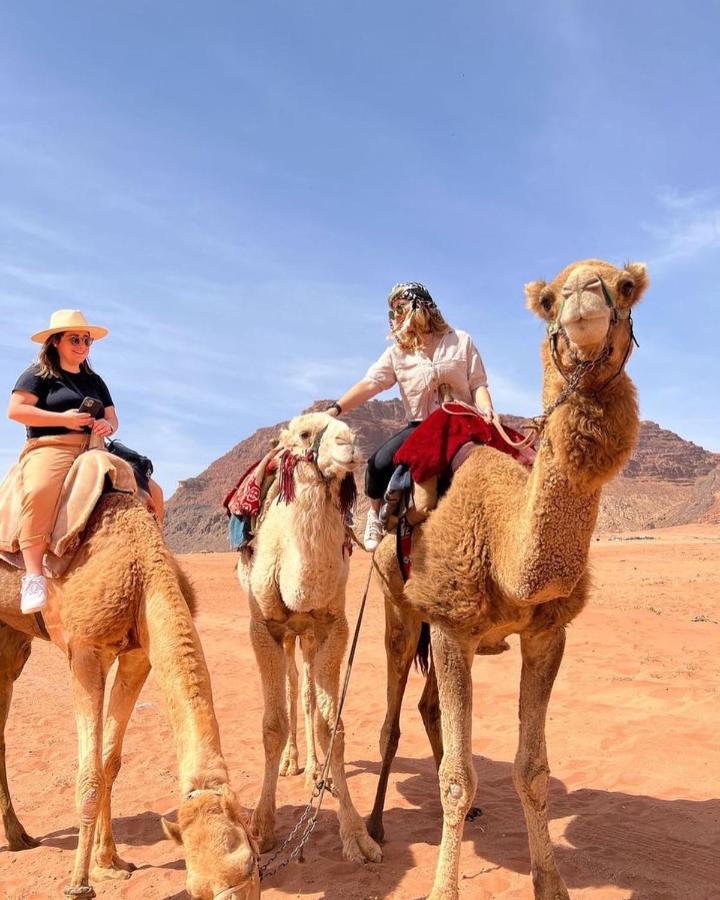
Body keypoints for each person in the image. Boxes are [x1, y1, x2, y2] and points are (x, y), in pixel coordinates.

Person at [326, 282, 494, 550]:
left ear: (420, 305)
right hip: (421, 428)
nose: (396, 317)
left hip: (464, 422)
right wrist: (336, 409)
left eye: (401, 308)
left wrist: (487, 410)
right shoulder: (397, 354)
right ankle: (375, 516)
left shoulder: (461, 340)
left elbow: (477, 384)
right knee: (378, 464)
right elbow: (371, 384)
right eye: (393, 312)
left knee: (509, 462)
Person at [7, 310, 120, 614]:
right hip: (51, 446)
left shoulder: (94, 381)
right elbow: (15, 411)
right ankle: (33, 576)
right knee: (40, 489)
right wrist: (62, 419)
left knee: (147, 488)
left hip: (94, 447)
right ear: (56, 341)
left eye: (87, 340)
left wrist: (106, 426)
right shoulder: (39, 374)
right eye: (75, 339)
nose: (82, 345)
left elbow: (112, 417)